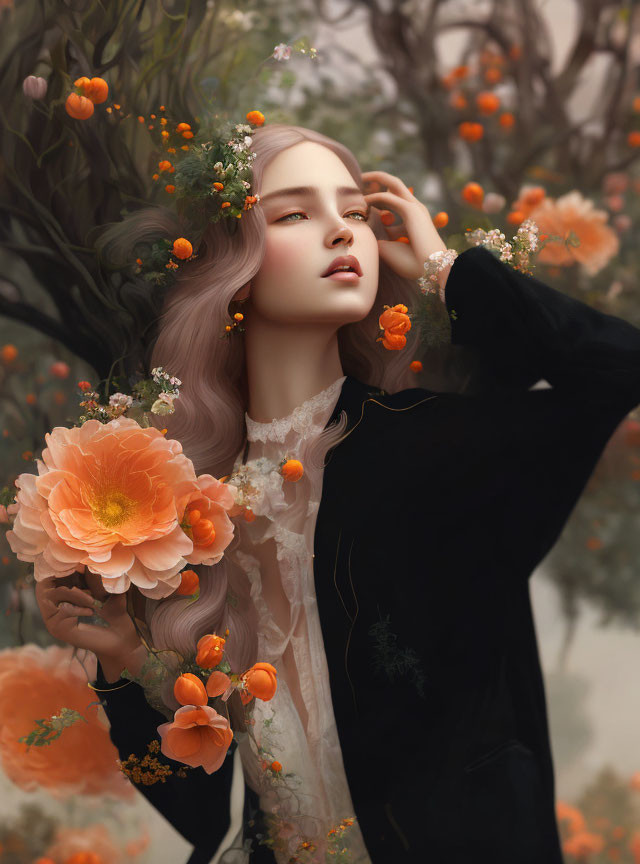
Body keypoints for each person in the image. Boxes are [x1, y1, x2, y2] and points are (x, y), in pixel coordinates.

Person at [34, 124, 640, 864]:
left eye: (354, 212)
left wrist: (452, 272)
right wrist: (125, 663)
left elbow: (622, 369)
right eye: (294, 214)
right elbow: (202, 815)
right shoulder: (187, 511)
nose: (340, 233)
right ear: (235, 267)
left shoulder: (440, 450)